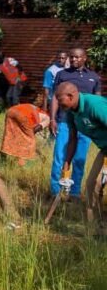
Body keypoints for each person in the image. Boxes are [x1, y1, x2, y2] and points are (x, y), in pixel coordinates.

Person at [49, 47, 101, 199]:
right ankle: (55, 191)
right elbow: (55, 98)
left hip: (86, 125)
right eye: (71, 57)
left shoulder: (94, 77)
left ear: (85, 58)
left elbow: (96, 101)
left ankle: (75, 193)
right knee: (59, 157)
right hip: (64, 122)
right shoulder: (62, 74)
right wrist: (52, 119)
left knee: (79, 159)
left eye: (77, 57)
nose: (73, 60)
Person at [57, 83, 107, 210]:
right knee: (91, 185)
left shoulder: (94, 105)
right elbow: (73, 138)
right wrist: (67, 162)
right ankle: (93, 225)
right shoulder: (70, 112)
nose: (60, 106)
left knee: (98, 184)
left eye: (61, 101)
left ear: (71, 96)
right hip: (104, 149)